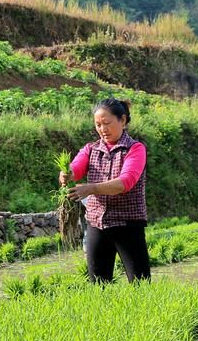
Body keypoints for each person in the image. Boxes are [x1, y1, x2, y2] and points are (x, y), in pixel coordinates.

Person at [59, 98, 151, 283]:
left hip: (127, 224)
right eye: (98, 125)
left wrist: (91, 188)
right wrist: (67, 174)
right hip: (97, 224)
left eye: (107, 123)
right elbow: (76, 167)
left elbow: (125, 182)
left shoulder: (135, 149)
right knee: (99, 285)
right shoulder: (91, 149)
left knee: (140, 283)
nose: (102, 129)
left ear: (123, 120)